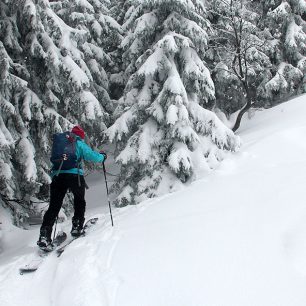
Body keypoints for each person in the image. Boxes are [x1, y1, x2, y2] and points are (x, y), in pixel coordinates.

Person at [37, 125, 107, 249]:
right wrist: (103, 157)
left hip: (58, 175)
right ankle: (76, 226)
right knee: (79, 201)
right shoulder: (79, 142)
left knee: (54, 206)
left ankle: (44, 235)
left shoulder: (61, 143)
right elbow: (92, 156)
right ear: (81, 136)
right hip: (75, 176)